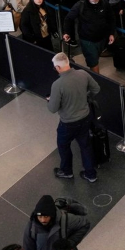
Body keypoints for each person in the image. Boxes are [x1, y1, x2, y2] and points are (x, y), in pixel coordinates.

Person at [48, 52, 100, 182]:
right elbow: (96, 89)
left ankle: (66, 171)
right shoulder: (83, 74)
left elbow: (52, 109)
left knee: (63, 145)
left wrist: (50, 100)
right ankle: (91, 174)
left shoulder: (57, 84)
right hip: (85, 117)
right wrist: (85, 96)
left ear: (58, 68)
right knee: (85, 145)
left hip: (68, 122)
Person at [23, 194, 90, 250]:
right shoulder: (31, 228)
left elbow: (85, 224)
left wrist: (69, 243)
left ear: (52, 215)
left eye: (46, 216)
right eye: (40, 217)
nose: (43, 220)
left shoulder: (65, 220)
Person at [62, 0, 116, 74]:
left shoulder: (104, 3)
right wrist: (66, 32)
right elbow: (69, 19)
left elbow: (111, 18)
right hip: (87, 40)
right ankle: (97, 81)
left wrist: (111, 33)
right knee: (93, 62)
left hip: (102, 38)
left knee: (95, 58)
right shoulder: (80, 5)